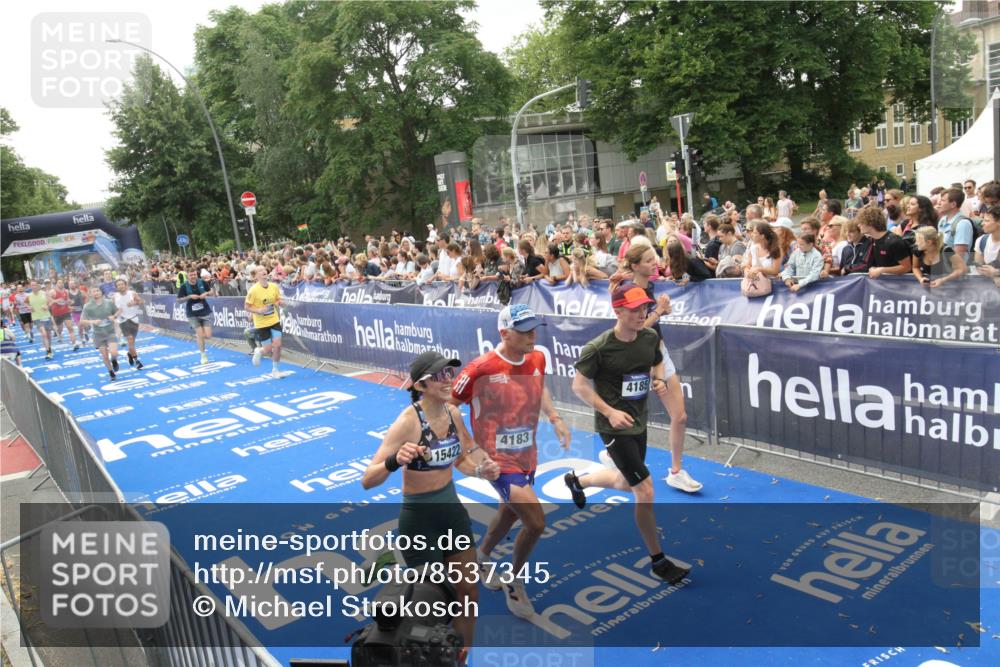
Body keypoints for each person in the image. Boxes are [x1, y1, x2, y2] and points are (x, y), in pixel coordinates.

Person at [362, 351, 499, 656]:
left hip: (451, 512)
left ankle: (459, 659)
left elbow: (463, 455)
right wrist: (395, 460)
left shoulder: (453, 413)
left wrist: (481, 468)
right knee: (429, 606)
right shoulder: (408, 422)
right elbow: (368, 479)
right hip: (419, 521)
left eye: (449, 374)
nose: (447, 380)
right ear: (421, 385)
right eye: (437, 376)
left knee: (468, 592)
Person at [564, 284, 692, 585]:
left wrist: (658, 380)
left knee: (626, 483)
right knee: (645, 489)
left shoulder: (648, 336)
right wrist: (608, 411)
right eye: (634, 309)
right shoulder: (598, 347)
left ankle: (577, 480)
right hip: (613, 428)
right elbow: (579, 386)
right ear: (617, 310)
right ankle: (658, 561)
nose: (642, 313)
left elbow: (657, 359)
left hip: (638, 423)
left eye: (645, 308)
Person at [451, 304, 571, 619]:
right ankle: (514, 581)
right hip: (497, 461)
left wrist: (555, 418)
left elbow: (539, 388)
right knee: (535, 521)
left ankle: (481, 555)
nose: (533, 335)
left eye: (534, 328)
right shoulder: (480, 368)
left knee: (509, 513)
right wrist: (469, 446)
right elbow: (448, 407)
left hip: (527, 454)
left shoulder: (538, 357)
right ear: (505, 333)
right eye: (525, 330)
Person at [609, 246, 702, 492]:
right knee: (629, 415)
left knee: (680, 416)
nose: (655, 263)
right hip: (638, 359)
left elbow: (651, 322)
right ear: (636, 265)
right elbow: (636, 327)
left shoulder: (650, 286)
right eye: (649, 260)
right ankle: (615, 456)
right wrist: (659, 311)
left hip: (659, 353)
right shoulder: (627, 289)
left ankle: (676, 471)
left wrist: (663, 311)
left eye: (655, 259)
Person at [245, 266, 284, 379]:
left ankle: (275, 370)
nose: (264, 271)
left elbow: (277, 299)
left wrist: (280, 302)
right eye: (260, 270)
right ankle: (259, 351)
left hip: (274, 320)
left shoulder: (273, 286)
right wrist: (258, 310)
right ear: (256, 276)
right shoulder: (253, 290)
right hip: (261, 323)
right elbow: (247, 307)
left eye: (264, 269)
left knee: (278, 345)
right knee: (267, 350)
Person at [856, 205, 911, 278]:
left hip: (898, 284)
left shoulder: (894, 241)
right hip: (883, 283)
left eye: (861, 222)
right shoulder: (872, 240)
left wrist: (881, 270)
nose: (858, 225)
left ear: (870, 224)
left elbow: (907, 267)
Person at [79, 286, 120, 380]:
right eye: (93, 291)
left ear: (101, 292)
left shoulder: (109, 302)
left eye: (97, 291)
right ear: (90, 294)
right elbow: (82, 321)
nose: (96, 293)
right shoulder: (87, 306)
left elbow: (118, 311)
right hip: (98, 334)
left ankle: (114, 361)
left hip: (110, 331)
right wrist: (92, 322)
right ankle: (111, 372)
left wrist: (113, 316)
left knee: (114, 352)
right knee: (105, 355)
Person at [178, 270, 216, 365]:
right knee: (200, 335)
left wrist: (206, 294)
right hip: (192, 314)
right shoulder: (184, 286)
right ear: (188, 276)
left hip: (204, 311)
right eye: (191, 275)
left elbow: (212, 291)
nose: (193, 276)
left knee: (208, 336)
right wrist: (189, 297)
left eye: (194, 274)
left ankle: (198, 337)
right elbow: (179, 300)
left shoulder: (202, 282)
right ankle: (203, 355)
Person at [113, 278, 144, 369]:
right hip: (123, 320)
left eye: (122, 284)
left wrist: (134, 302)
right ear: (116, 287)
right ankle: (137, 361)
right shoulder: (115, 296)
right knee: (130, 339)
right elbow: (112, 309)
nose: (120, 286)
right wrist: (114, 316)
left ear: (126, 285)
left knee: (132, 343)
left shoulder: (132, 293)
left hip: (134, 319)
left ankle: (130, 354)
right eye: (118, 285)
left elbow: (142, 302)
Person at [48, 279, 79, 350]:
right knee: (59, 329)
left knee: (70, 328)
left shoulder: (66, 291)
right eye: (59, 283)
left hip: (66, 312)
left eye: (62, 282)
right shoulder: (52, 292)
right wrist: (56, 301)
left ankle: (74, 343)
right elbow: (49, 303)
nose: (61, 284)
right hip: (56, 313)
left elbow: (67, 300)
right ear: (56, 284)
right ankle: (58, 333)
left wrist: (70, 302)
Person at [27, 280, 54, 359]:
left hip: (46, 316)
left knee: (48, 334)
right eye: (32, 285)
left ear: (38, 286)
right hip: (36, 317)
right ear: (30, 286)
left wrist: (47, 307)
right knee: (44, 334)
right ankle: (48, 351)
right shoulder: (29, 296)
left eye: (35, 285)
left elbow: (51, 301)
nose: (34, 287)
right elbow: (24, 303)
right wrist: (29, 307)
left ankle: (49, 348)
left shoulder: (44, 293)